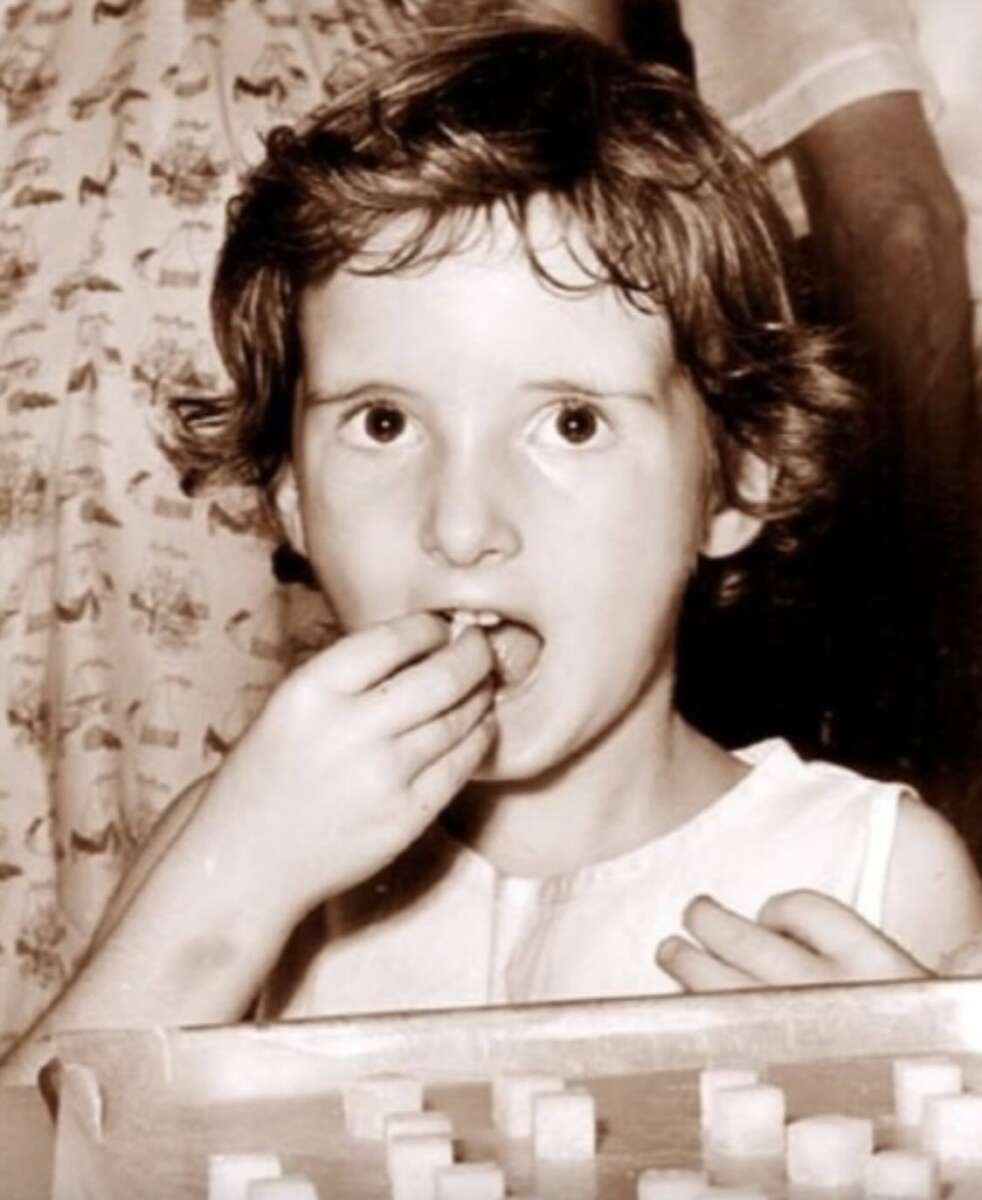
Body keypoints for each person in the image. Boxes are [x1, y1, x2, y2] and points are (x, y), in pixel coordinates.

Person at [2, 18, 980, 1084]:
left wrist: (909, 1117)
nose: (462, 526)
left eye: (569, 422)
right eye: (382, 424)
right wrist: (221, 900)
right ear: (288, 490)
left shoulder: (864, 877)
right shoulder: (248, 844)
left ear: (737, 477)